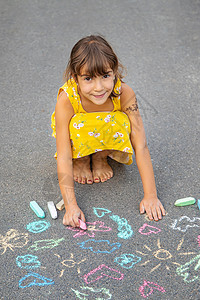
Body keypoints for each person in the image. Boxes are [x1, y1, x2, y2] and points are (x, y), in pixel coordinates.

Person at [51, 35, 165, 228]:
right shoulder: (67, 99)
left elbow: (140, 143)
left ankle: (100, 157)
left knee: (119, 121)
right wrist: (71, 206)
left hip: (105, 136)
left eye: (105, 76)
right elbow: (63, 154)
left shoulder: (124, 93)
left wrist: (151, 196)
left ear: (114, 72)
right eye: (88, 79)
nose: (99, 87)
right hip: (77, 139)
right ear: (75, 78)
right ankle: (81, 159)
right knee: (79, 124)